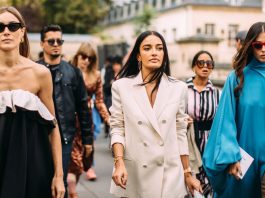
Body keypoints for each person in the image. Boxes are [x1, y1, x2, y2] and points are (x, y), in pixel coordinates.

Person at [109, 30, 202, 198]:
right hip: (135, 172)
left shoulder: (178, 88)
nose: (154, 52)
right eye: (147, 48)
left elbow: (180, 132)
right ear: (138, 56)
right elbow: (117, 128)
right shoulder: (121, 87)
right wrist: (119, 162)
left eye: (159, 48)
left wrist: (188, 173)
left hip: (169, 172)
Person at [0, 6, 65, 198]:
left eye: (12, 26)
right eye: (0, 27)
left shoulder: (40, 74)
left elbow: (53, 128)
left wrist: (58, 175)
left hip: (33, 164)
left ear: (22, 33)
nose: (6, 32)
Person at [203, 22, 265, 197]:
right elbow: (225, 121)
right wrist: (230, 156)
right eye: (258, 45)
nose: (263, 50)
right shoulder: (237, 78)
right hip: (243, 161)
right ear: (250, 45)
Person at [37, 24, 93, 197]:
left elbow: (83, 108)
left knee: (60, 183)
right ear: (42, 44)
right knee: (39, 182)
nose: (56, 44)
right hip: (38, 136)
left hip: (65, 136)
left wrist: (87, 140)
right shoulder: (33, 70)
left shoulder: (73, 72)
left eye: (59, 40)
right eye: (51, 40)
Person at [67, 42, 110, 197]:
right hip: (68, 122)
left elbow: (99, 100)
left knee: (82, 163)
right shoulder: (68, 71)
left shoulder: (96, 75)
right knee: (73, 161)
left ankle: (71, 189)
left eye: (90, 58)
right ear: (78, 55)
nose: (86, 60)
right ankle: (72, 192)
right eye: (84, 56)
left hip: (86, 123)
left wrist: (109, 120)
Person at [186, 50, 220, 197]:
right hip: (188, 139)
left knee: (209, 179)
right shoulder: (182, 90)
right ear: (194, 66)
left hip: (210, 141)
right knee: (190, 178)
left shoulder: (217, 93)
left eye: (209, 64)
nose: (205, 66)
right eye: (201, 63)